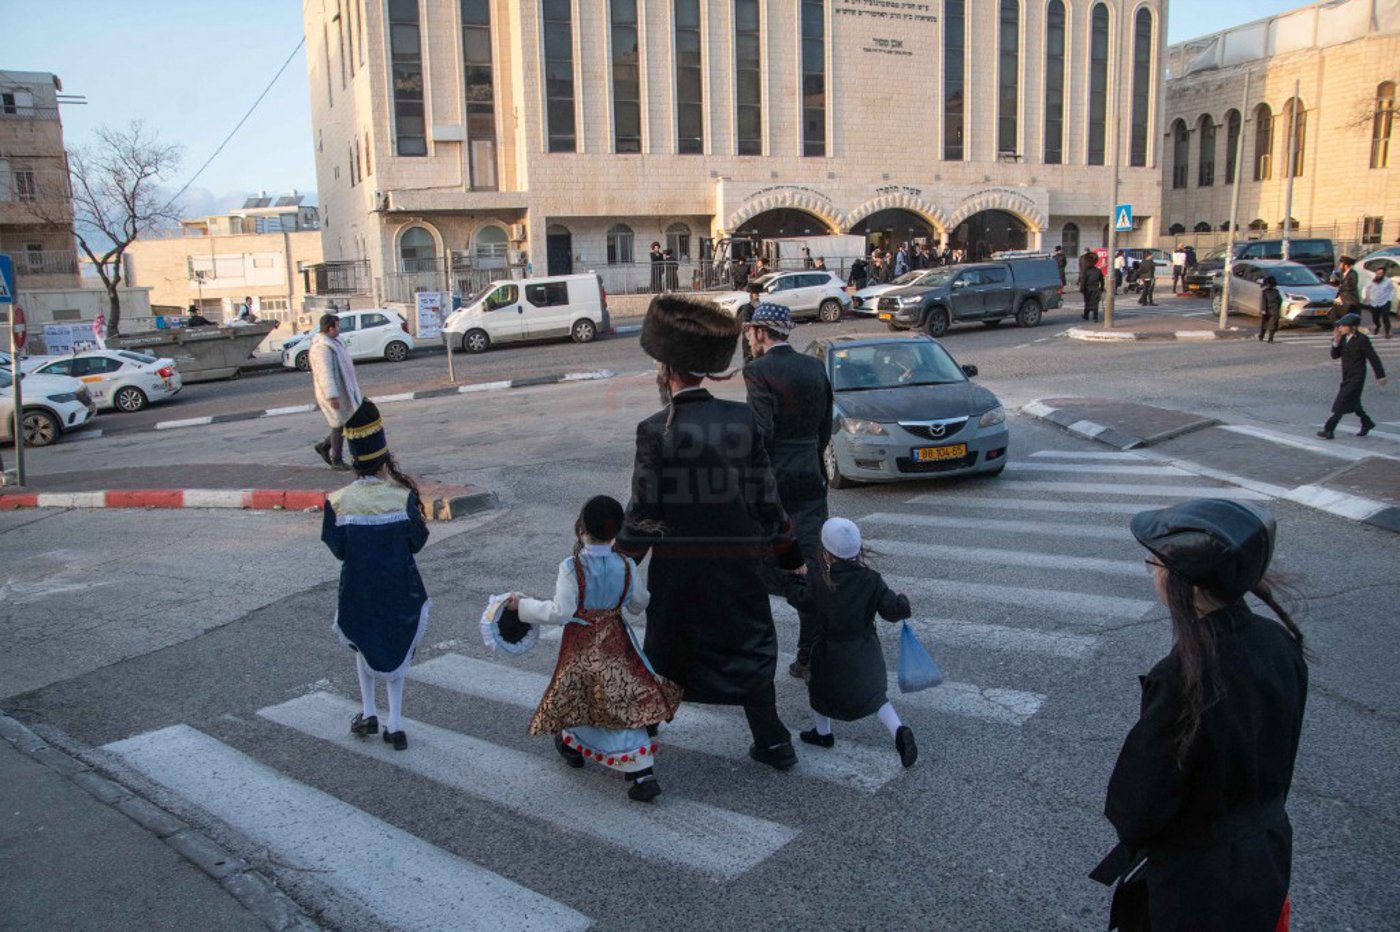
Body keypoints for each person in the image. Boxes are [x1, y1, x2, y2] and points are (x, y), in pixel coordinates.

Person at [1093, 499, 1307, 932]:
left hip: (1195, 882)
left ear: (1183, 583)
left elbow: (1136, 806)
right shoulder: (1279, 641)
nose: (1152, 572)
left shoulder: (1181, 676)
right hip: (1266, 853)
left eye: (1154, 564)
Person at [617, 296, 805, 772]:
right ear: (705, 370)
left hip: (680, 575)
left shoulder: (654, 430)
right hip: (739, 567)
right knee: (746, 649)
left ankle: (643, 741)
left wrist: (614, 563)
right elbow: (768, 500)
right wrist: (790, 555)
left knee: (667, 654)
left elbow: (644, 512)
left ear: (666, 370)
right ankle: (774, 742)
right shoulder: (741, 419)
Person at [509, 495, 682, 803]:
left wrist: (522, 606)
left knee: (582, 694)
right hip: (616, 642)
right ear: (616, 531)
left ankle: (638, 770)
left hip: (582, 645)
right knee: (620, 695)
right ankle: (584, 749)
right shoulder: (626, 565)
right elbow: (640, 603)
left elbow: (560, 612)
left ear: (581, 527)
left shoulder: (572, 567)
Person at [321, 400, 430, 752]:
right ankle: (395, 724)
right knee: (399, 650)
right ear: (384, 456)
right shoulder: (403, 497)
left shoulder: (337, 501)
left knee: (364, 643)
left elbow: (338, 549)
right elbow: (417, 541)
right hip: (402, 590)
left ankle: (368, 712)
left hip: (358, 591)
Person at [743, 303, 833, 680]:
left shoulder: (758, 371)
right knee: (811, 565)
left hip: (775, 479)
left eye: (750, 332)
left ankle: (755, 657)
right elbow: (826, 425)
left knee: (756, 569)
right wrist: (813, 459)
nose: (747, 338)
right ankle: (810, 653)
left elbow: (760, 434)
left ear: (762, 333)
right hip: (811, 476)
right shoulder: (814, 366)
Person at [782, 517, 917, 768]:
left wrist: (794, 579)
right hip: (865, 652)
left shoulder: (821, 582)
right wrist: (903, 602)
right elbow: (891, 610)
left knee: (819, 693)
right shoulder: (871, 579)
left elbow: (800, 600)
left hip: (829, 652)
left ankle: (823, 734)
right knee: (876, 697)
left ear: (826, 552)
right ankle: (899, 730)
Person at [1317, 313, 1387, 439]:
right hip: (1346, 375)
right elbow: (1335, 355)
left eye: (1343, 326)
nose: (1340, 328)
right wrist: (1336, 342)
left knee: (1341, 402)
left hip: (1357, 377)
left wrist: (1380, 375)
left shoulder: (1362, 340)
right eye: (1340, 326)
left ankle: (1329, 429)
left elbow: (1373, 358)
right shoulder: (1343, 338)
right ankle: (1367, 423)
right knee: (1354, 404)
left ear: (1352, 327)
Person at [310, 313, 362, 470]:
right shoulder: (321, 348)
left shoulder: (335, 342)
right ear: (330, 328)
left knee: (344, 423)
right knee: (339, 424)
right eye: (337, 326)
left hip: (344, 390)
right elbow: (325, 373)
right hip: (333, 393)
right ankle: (336, 460)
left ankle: (325, 447)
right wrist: (332, 396)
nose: (340, 329)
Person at [1362, 267, 1394, 339]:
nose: (1379, 275)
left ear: (1383, 274)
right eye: (1377, 273)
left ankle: (1387, 332)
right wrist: (1365, 297)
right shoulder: (1371, 281)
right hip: (1374, 302)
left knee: (1385, 317)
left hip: (1385, 302)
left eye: (1381, 274)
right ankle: (1378, 326)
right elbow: (1365, 288)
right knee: (1375, 318)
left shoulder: (1388, 281)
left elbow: (1391, 290)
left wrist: (1389, 299)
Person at [1329, 255, 1361, 324]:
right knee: (1333, 316)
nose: (1340, 266)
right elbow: (1340, 284)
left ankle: (1346, 331)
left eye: (1341, 264)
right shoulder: (1342, 274)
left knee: (1346, 319)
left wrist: (1340, 286)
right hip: (1341, 298)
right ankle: (1338, 331)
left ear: (1346, 265)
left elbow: (1351, 286)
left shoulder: (1353, 273)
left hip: (1349, 300)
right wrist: (1334, 282)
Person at [1258, 275, 1282, 343]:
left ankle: (1261, 336)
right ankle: (1270, 338)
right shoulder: (1276, 291)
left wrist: (1263, 309)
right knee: (1273, 324)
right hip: (1275, 309)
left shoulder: (1265, 292)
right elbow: (1280, 300)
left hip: (1267, 309)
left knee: (1264, 323)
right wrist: (1278, 307)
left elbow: (1263, 301)